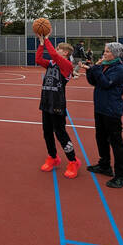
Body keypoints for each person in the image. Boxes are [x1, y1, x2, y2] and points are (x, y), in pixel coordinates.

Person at [80, 42, 123, 188]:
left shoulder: (120, 69)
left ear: (115, 54)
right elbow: (94, 82)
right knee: (100, 138)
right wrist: (90, 71)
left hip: (112, 110)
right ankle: (105, 165)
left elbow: (106, 83)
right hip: (100, 108)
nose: (104, 53)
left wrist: (95, 68)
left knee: (116, 142)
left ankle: (122, 175)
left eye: (107, 51)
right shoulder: (105, 66)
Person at [36, 33, 81, 179]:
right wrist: (42, 44)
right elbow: (38, 59)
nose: (55, 50)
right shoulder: (51, 64)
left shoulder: (67, 65)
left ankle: (73, 161)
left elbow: (54, 55)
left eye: (58, 49)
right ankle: (53, 157)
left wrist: (47, 39)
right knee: (47, 132)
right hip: (46, 101)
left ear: (65, 52)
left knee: (60, 133)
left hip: (57, 104)